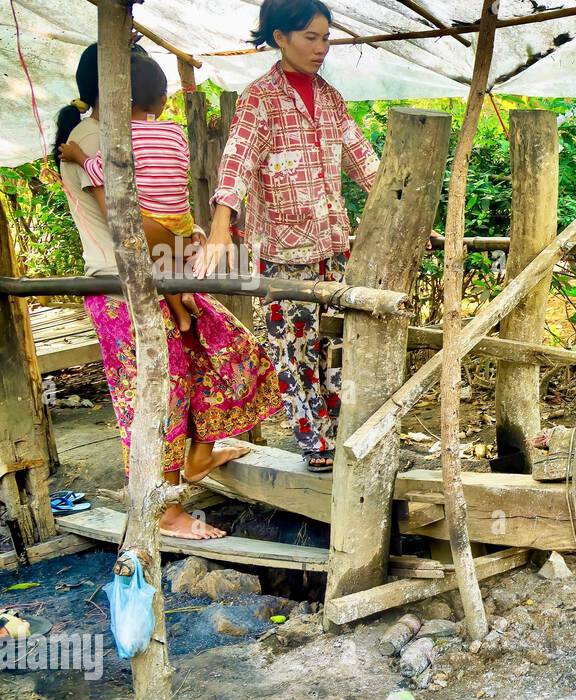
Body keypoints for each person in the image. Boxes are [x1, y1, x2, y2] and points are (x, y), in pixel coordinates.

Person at [54, 44, 281, 540]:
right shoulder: (95, 138)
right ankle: (166, 510)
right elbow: (130, 224)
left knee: (218, 351)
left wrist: (186, 238)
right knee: (159, 391)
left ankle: (199, 455)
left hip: (160, 273)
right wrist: (188, 239)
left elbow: (157, 211)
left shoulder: (124, 135)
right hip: (123, 287)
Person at [198, 0, 380, 473]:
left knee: (336, 345)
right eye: (310, 38)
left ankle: (340, 436)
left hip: (332, 244)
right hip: (283, 250)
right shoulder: (260, 97)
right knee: (294, 349)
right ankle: (315, 445)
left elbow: (364, 161)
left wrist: (405, 215)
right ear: (279, 38)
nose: (321, 48)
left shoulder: (332, 98)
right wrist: (221, 223)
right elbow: (236, 159)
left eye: (325, 37)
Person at [58, 50, 200, 332]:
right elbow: (124, 223)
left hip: (145, 270)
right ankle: (184, 295)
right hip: (123, 286)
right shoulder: (96, 137)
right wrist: (187, 247)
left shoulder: (117, 135)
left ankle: (183, 299)